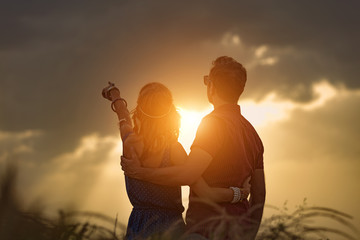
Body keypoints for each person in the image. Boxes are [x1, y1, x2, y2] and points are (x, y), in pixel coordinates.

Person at [121, 56, 266, 239]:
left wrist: (141, 173)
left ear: (212, 86)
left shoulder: (213, 124)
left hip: (205, 229)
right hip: (239, 231)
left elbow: (188, 175)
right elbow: (259, 195)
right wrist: (249, 233)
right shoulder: (253, 134)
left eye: (207, 81)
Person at [102, 81, 251, 239]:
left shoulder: (129, 143)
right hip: (171, 229)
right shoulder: (174, 150)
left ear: (139, 109)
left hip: (137, 227)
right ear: (170, 112)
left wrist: (114, 94)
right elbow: (206, 193)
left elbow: (123, 115)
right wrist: (240, 193)